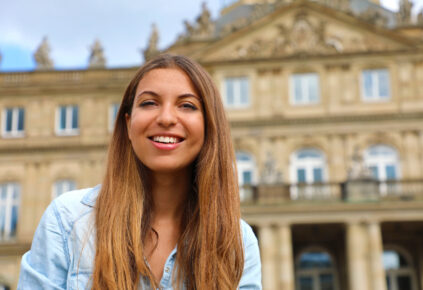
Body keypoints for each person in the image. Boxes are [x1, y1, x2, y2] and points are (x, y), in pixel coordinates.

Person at [18, 54, 262, 289]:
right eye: (149, 103)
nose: (166, 118)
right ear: (127, 123)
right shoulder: (67, 222)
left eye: (187, 105)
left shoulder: (237, 242)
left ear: (210, 125)